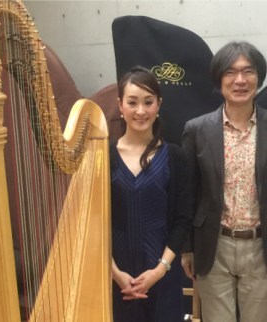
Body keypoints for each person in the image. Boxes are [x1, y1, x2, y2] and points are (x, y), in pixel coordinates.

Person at [181, 41, 267, 322]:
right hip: (214, 244)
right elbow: (188, 194)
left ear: (258, 77)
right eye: (230, 72)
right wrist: (187, 247)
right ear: (219, 78)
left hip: (262, 245)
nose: (240, 80)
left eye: (248, 71)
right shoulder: (196, 130)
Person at [109, 67, 194, 321]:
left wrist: (159, 271)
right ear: (120, 106)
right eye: (132, 102)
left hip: (161, 268)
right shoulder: (102, 157)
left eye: (148, 102)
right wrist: (115, 274)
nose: (141, 111)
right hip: (116, 272)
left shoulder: (177, 157)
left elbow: (182, 221)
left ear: (159, 104)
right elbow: (94, 223)